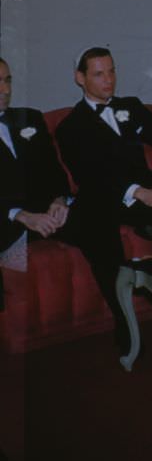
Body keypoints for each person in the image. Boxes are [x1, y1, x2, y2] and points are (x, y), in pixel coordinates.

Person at [56, 47, 152, 341]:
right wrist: (140, 193)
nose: (109, 80)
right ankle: (124, 323)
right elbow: (91, 176)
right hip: (109, 197)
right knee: (99, 219)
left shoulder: (129, 106)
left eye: (111, 71)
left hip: (148, 189)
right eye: (98, 74)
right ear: (79, 78)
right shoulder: (71, 127)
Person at [0, 57, 71, 307]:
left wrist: (60, 198)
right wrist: (21, 215)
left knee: (97, 222)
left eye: (8, 80)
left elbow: (54, 169)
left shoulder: (29, 118)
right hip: (8, 222)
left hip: (48, 214)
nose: (6, 90)